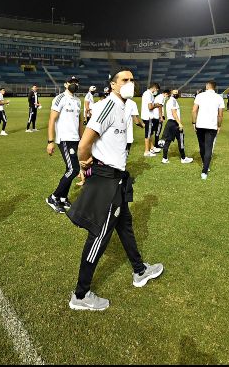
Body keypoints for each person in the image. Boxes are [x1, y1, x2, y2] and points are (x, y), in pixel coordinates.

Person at [66, 68, 163, 311]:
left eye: (132, 79)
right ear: (113, 85)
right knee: (99, 234)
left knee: (125, 226)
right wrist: (84, 163)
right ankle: (80, 294)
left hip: (117, 179)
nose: (130, 83)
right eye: (125, 80)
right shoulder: (108, 106)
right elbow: (84, 143)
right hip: (106, 179)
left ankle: (139, 270)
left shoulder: (124, 107)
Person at [45, 77, 82, 213]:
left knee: (70, 168)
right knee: (73, 169)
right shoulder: (60, 98)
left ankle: (62, 198)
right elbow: (52, 119)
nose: (74, 85)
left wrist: (82, 139)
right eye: (71, 82)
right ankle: (53, 197)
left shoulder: (78, 101)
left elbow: (79, 122)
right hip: (65, 139)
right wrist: (50, 141)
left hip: (75, 139)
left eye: (76, 83)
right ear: (66, 84)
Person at [192, 81, 224, 180]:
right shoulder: (219, 97)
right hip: (212, 125)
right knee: (208, 147)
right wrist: (219, 126)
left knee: (202, 146)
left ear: (207, 86)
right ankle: (205, 171)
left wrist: (194, 123)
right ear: (215, 88)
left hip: (200, 125)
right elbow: (220, 115)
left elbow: (194, 110)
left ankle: (205, 165)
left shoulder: (200, 95)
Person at [161, 89, 193, 164]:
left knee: (168, 141)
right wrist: (179, 123)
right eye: (175, 93)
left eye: (177, 93)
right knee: (180, 140)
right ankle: (183, 158)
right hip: (174, 123)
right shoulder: (173, 101)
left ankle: (164, 158)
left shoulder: (169, 101)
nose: (177, 94)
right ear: (171, 93)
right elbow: (174, 112)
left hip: (170, 123)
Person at [140, 83, 160, 157]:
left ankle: (152, 148)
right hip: (148, 117)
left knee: (150, 133)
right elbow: (150, 107)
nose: (156, 92)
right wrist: (156, 105)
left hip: (145, 116)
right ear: (154, 88)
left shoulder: (146, 93)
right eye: (157, 90)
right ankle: (146, 151)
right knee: (148, 134)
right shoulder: (149, 94)